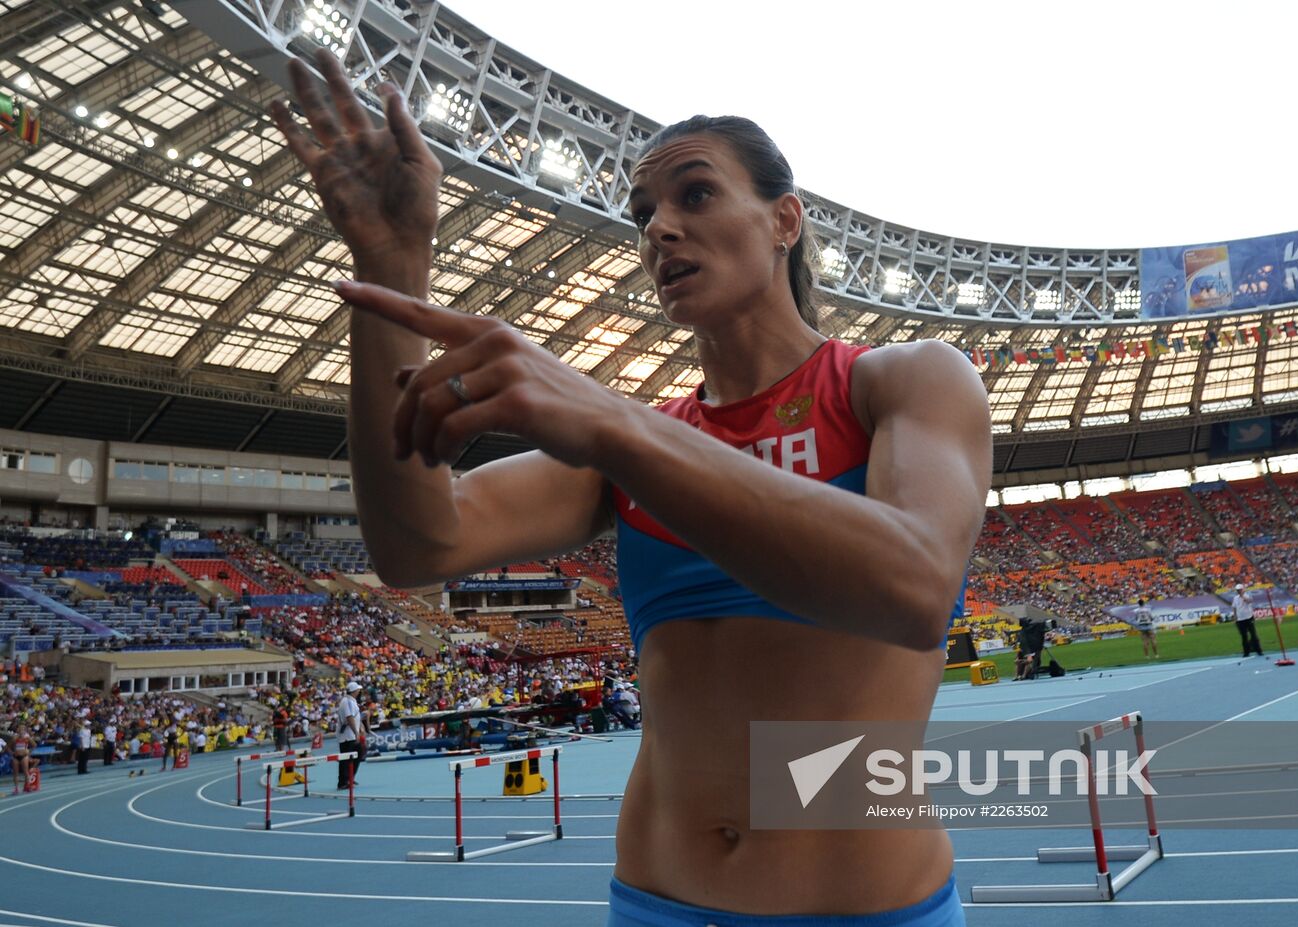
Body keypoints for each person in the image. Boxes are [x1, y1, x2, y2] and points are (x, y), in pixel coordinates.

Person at [274, 50, 989, 925]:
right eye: (643, 213)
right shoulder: (636, 448)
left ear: (785, 221)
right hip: (659, 902)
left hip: (876, 910)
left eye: (695, 195)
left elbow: (914, 586)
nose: (658, 228)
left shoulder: (903, 382)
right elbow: (417, 542)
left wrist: (617, 423)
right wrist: (391, 267)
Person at [335, 680, 363, 790]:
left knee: (356, 754)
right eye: (357, 690)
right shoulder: (347, 702)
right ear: (354, 691)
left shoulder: (350, 701)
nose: (359, 692)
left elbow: (354, 717)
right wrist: (356, 732)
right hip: (348, 735)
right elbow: (349, 717)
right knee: (346, 758)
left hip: (349, 734)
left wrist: (359, 728)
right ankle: (343, 781)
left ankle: (349, 777)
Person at [1232, 583, 1264, 657]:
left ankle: (1258, 650)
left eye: (1240, 590)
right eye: (1237, 590)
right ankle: (1246, 652)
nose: (1239, 591)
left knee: (1253, 635)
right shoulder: (1235, 598)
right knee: (1244, 636)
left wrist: (1243, 596)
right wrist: (1235, 617)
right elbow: (1234, 607)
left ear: (1243, 589)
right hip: (1240, 620)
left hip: (1249, 618)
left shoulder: (1247, 595)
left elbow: (1249, 601)